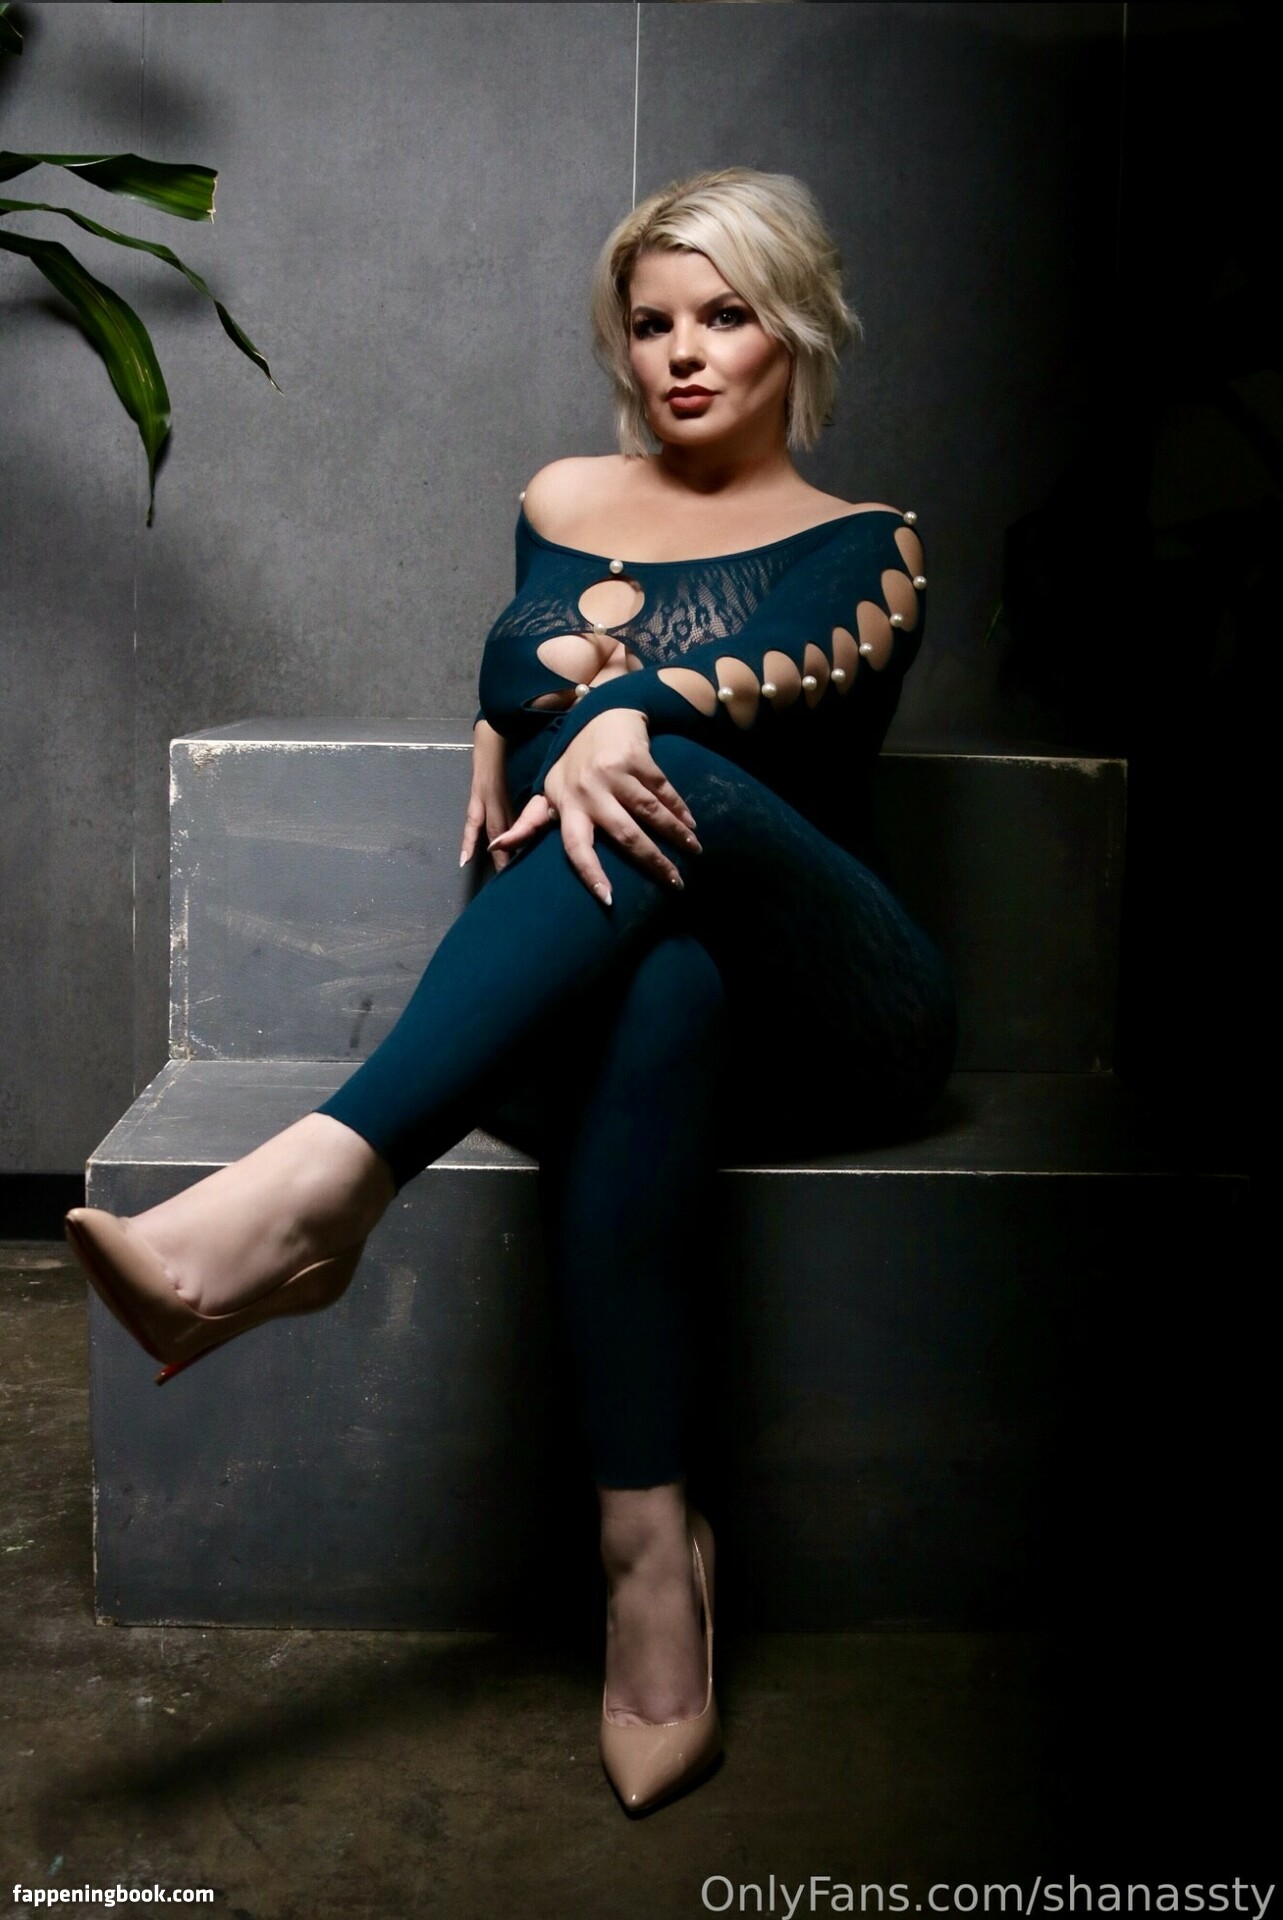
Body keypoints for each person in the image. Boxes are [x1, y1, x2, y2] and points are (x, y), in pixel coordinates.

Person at [64, 168, 956, 1817]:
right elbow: (517, 671)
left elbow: (771, 682)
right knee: (658, 981)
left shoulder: (867, 544)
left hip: (834, 1001)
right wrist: (541, 716)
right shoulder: (562, 496)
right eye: (651, 321)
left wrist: (613, 711)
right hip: (603, 1002)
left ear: (796, 332)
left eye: (725, 316)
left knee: (682, 787)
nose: (681, 353)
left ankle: (320, 1189)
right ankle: (650, 1564)